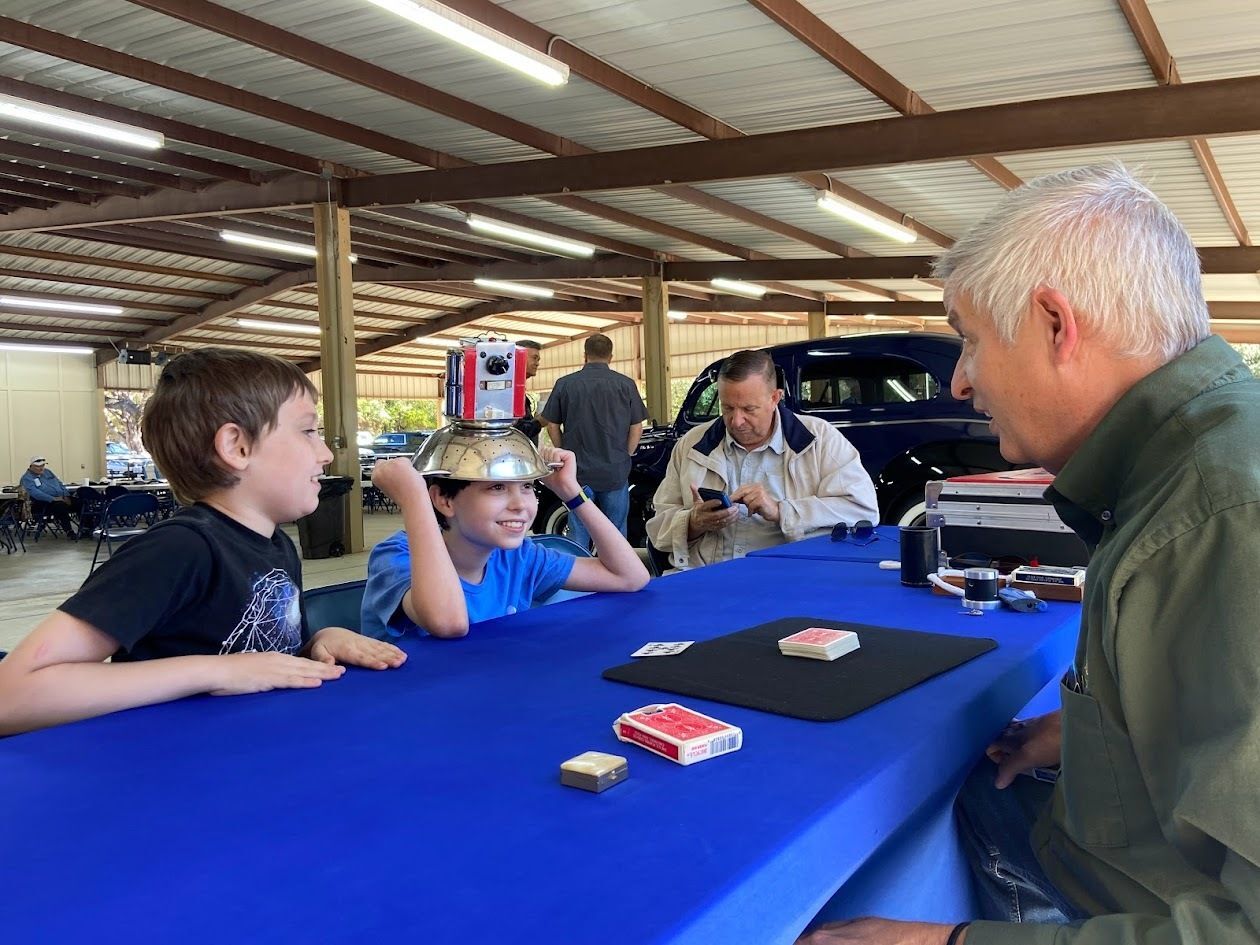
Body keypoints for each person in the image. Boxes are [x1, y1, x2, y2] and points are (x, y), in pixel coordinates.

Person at [798, 164, 1260, 945]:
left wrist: (945, 943)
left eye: (970, 338)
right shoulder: (1196, 461)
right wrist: (1095, 732)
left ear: (1055, 323)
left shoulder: (1217, 521)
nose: (962, 377)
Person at [0, 348, 406, 737]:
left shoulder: (277, 545)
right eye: (308, 431)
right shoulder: (180, 550)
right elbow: (12, 696)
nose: (325, 455)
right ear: (237, 447)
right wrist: (214, 671)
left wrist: (317, 642)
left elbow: (257, 659)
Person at [360, 449, 649, 640]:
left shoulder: (518, 556)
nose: (520, 505)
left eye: (527, 487)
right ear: (445, 500)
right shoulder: (396, 555)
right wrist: (414, 498)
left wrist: (569, 491)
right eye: (497, 488)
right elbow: (448, 623)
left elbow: (630, 576)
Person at [647, 350, 877, 570]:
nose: (737, 421)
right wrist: (693, 523)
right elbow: (657, 531)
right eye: (727, 408)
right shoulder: (691, 445)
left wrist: (782, 512)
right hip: (703, 577)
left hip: (789, 580)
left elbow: (863, 510)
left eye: (749, 409)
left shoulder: (820, 441)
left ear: (775, 398)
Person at [542, 333, 648, 550]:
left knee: (579, 531)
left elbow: (552, 424)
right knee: (615, 532)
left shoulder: (565, 384)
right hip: (615, 472)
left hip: (577, 473)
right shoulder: (626, 385)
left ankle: (580, 583)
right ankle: (617, 580)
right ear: (611, 357)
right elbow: (637, 426)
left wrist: (564, 453)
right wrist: (626, 453)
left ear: (585, 355)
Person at [19, 456, 77, 539]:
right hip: (43, 503)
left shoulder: (48, 472)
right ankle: (69, 531)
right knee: (60, 506)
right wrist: (53, 499)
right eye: (38, 466)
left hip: (61, 497)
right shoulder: (26, 478)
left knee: (81, 503)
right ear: (31, 466)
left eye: (42, 465)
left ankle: (87, 529)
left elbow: (59, 483)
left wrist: (66, 495)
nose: (41, 468)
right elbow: (36, 493)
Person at [513, 339, 543, 445]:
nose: (537, 363)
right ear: (519, 357)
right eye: (534, 358)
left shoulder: (519, 389)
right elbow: (517, 431)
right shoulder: (510, 391)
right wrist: (540, 422)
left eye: (538, 359)